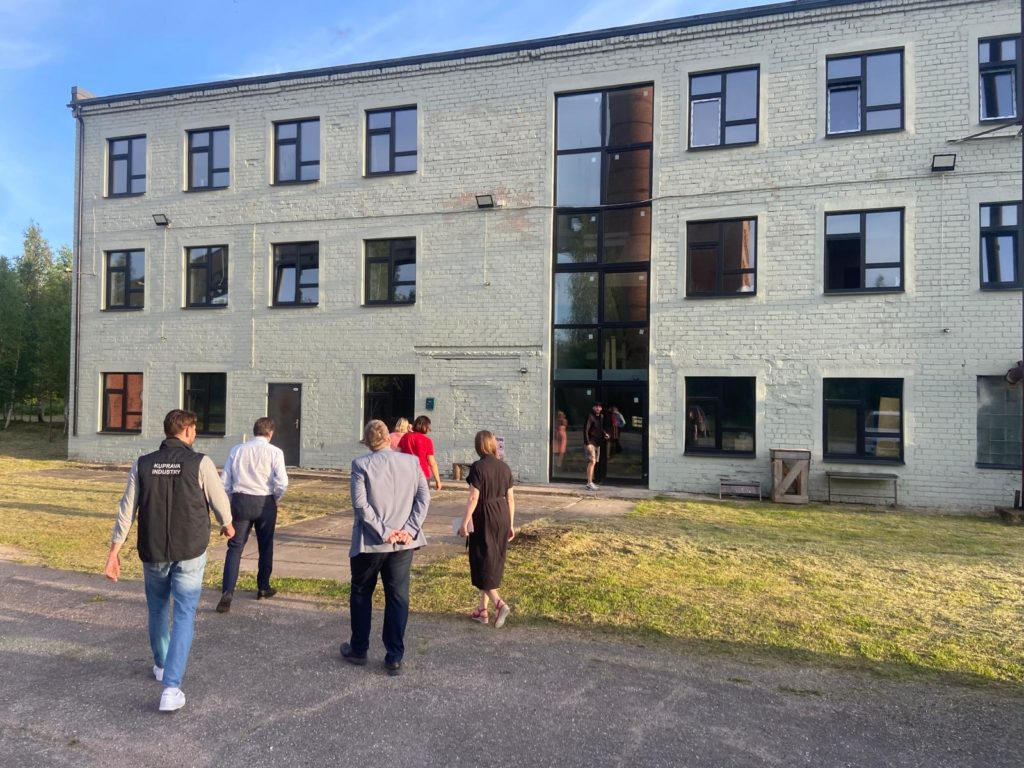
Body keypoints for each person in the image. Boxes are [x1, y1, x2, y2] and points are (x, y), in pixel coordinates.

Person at [103, 409, 233, 713]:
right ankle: (171, 688)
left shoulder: (143, 463)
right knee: (184, 614)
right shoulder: (200, 462)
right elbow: (219, 500)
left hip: (154, 550)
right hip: (190, 549)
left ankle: (161, 665)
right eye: (194, 429)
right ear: (186, 430)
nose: (195, 434)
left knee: (158, 608)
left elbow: (127, 509)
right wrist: (227, 524)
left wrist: (114, 551)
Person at [341, 420, 430, 676]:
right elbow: (424, 498)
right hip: (403, 543)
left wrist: (384, 531)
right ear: (389, 439)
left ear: (368, 443)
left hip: (370, 542)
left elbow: (360, 505)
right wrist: (409, 529)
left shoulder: (360, 465)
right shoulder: (411, 462)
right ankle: (394, 656)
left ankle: (359, 649)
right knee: (398, 596)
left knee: (361, 593)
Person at [216, 416, 289, 614]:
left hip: (241, 500)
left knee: (235, 547)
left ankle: (227, 592)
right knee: (265, 546)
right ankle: (263, 587)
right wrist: (275, 497)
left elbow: (225, 481)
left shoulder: (237, 450)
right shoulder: (275, 452)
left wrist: (231, 500)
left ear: (254, 431)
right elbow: (282, 482)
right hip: (265, 501)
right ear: (270, 433)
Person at [457, 430, 515, 628]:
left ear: (478, 446)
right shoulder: (504, 467)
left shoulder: (478, 467)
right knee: (492, 559)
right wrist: (511, 523)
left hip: (484, 515)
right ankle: (482, 610)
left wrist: (464, 522)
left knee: (481, 559)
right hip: (502, 513)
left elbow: (474, 497)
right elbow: (511, 498)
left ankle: (499, 604)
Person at [399, 415, 443, 491]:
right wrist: (438, 481)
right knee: (422, 497)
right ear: (424, 426)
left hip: (406, 473)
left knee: (407, 497)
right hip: (422, 474)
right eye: (428, 426)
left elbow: (397, 453)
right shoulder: (427, 441)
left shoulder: (405, 437)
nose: (429, 428)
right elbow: (432, 463)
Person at [584, 402, 608, 491]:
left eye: (599, 407)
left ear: (601, 408)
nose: (598, 408)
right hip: (591, 443)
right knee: (592, 461)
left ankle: (590, 482)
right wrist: (587, 443)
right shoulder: (590, 416)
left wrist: (605, 434)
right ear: (593, 408)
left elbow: (600, 429)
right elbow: (585, 430)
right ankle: (589, 483)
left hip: (598, 443)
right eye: (596, 407)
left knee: (594, 462)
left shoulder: (601, 417)